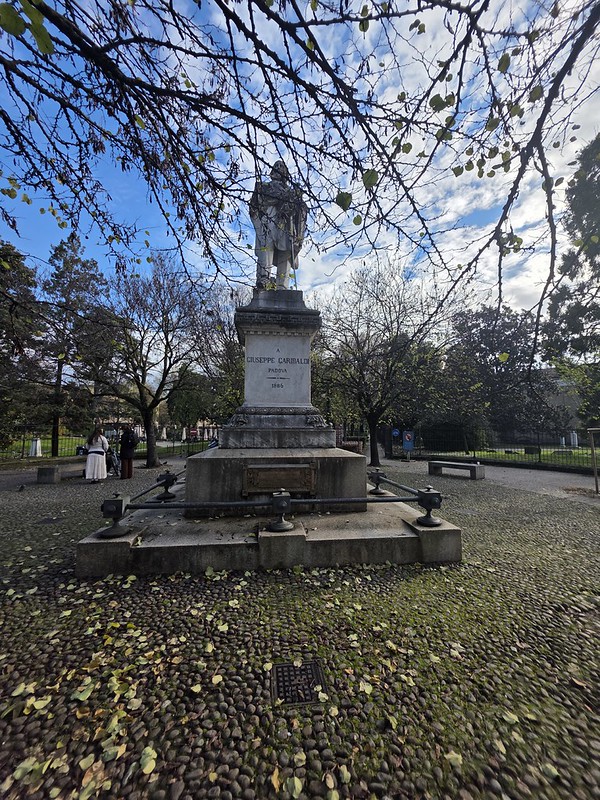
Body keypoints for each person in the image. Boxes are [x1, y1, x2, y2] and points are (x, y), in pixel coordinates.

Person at [249, 160, 308, 290]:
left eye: (281, 167)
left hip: (286, 223)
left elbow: (302, 209)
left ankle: (283, 285)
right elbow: (255, 205)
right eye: (276, 167)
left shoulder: (290, 192)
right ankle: (264, 278)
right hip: (269, 219)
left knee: (286, 251)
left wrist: (297, 200)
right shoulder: (265, 187)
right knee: (267, 246)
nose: (278, 169)